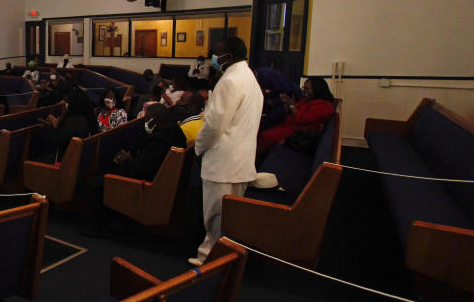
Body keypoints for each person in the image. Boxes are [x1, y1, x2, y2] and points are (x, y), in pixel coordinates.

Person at [191, 36, 263, 266]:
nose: (213, 56)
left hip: (223, 160)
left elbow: (214, 124)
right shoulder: (250, 77)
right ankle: (225, 258)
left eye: (217, 52)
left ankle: (209, 260)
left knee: (215, 216)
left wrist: (199, 147)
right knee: (230, 218)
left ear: (228, 56)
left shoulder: (230, 80)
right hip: (241, 159)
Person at [84, 105, 187, 236]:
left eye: (146, 119)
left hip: (148, 184)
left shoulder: (159, 141)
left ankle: (100, 227)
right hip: (162, 180)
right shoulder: (176, 134)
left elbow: (139, 170)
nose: (145, 123)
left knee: (97, 182)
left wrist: (126, 160)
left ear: (154, 120)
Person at [257, 77, 336, 153]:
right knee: (265, 126)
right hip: (291, 126)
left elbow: (302, 119)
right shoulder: (307, 100)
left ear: (317, 90)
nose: (304, 91)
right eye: (303, 87)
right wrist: (288, 102)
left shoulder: (325, 106)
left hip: (299, 134)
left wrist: (291, 105)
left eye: (307, 89)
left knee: (265, 136)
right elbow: (296, 110)